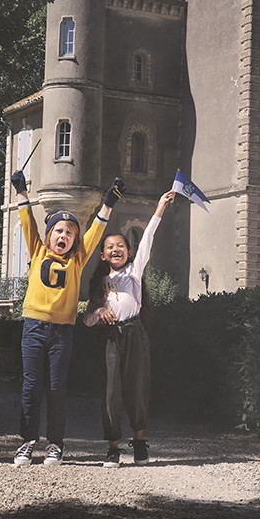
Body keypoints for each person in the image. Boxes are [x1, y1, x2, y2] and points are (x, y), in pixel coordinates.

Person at [9, 169, 124, 466]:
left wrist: (108, 202)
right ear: (49, 236)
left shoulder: (77, 258)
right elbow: (26, 221)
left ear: (75, 240)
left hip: (62, 331)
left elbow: (96, 230)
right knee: (31, 386)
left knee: (57, 388)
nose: (64, 235)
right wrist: (22, 192)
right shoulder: (37, 251)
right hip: (34, 327)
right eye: (59, 231)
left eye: (70, 232)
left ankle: (55, 444)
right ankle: (27, 441)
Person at [84, 190, 175, 467]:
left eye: (120, 246)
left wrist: (159, 207)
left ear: (129, 252)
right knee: (111, 391)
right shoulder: (99, 283)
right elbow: (87, 319)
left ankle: (138, 442)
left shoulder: (134, 273)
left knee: (137, 388)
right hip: (110, 338)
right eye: (110, 247)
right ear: (103, 254)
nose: (115, 250)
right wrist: (99, 312)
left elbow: (148, 236)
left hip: (135, 335)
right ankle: (113, 447)